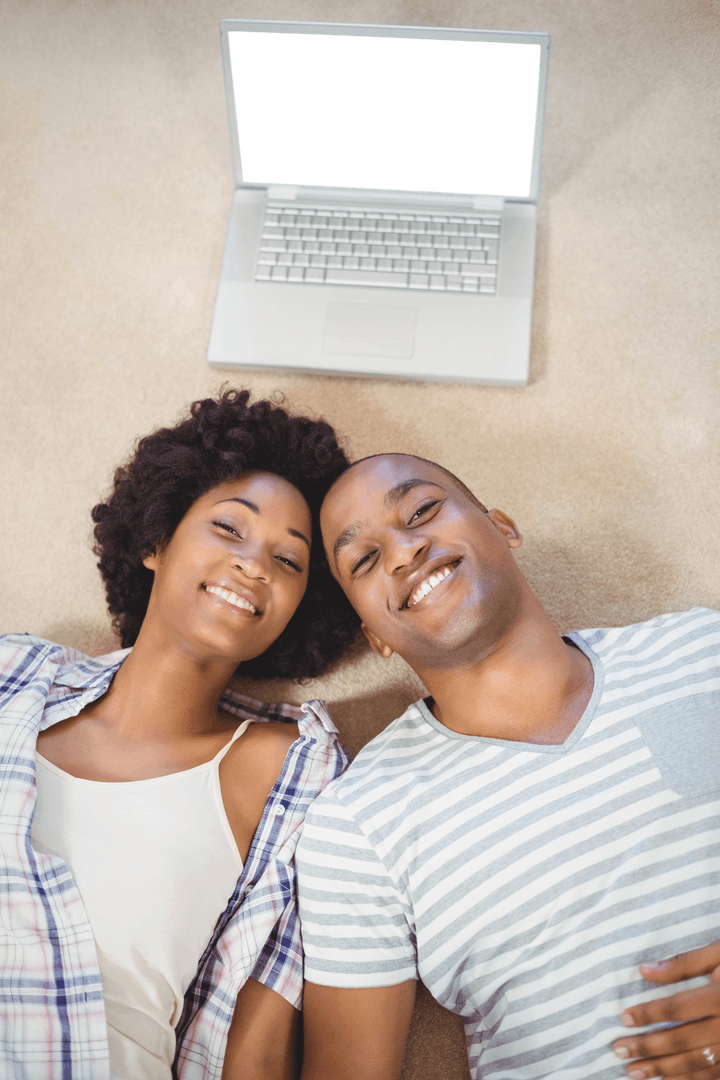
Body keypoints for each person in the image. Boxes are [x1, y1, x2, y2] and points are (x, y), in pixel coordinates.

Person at [295, 452, 720, 1080]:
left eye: (422, 511)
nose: (405, 551)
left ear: (502, 525)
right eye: (364, 560)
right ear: (374, 636)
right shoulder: (357, 823)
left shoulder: (700, 652)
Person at [0, 389, 359, 1080]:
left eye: (289, 561)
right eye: (230, 529)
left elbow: (255, 1044)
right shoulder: (16, 674)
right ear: (156, 541)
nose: (255, 565)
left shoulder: (292, 771)